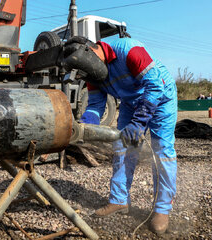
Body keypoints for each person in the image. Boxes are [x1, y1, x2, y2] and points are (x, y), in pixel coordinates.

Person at [63, 36, 177, 234]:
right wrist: (86, 125)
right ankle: (119, 200)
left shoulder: (129, 49)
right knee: (123, 148)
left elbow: (155, 85)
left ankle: (162, 209)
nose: (88, 77)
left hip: (161, 97)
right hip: (130, 102)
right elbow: (96, 105)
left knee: (162, 150)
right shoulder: (91, 73)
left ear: (92, 51)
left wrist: (139, 122)